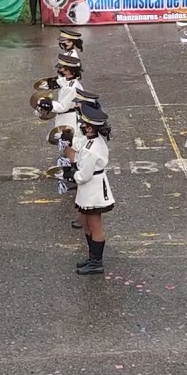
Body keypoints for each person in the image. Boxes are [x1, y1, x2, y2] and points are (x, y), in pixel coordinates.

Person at [64, 105, 114, 275]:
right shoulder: (92, 141)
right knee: (85, 222)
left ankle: (96, 262)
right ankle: (92, 256)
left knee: (94, 225)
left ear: (91, 128)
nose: (82, 127)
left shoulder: (93, 149)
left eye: (84, 125)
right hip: (89, 189)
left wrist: (72, 175)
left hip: (94, 190)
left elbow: (84, 175)